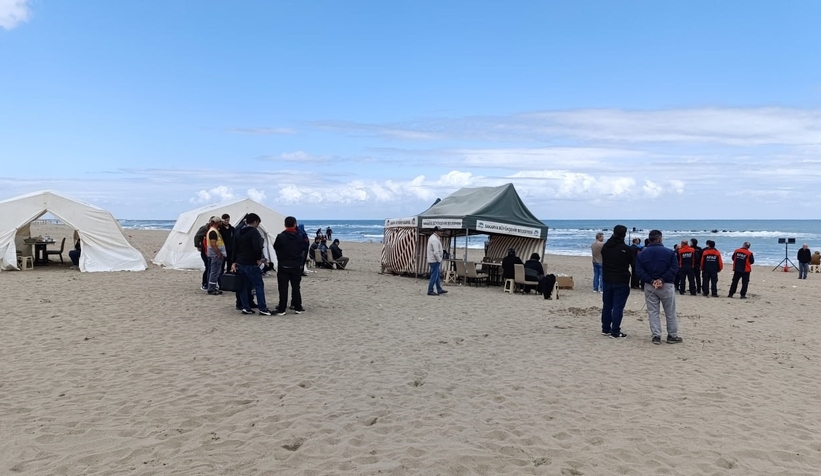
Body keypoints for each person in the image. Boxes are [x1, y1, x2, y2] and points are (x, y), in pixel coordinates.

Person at [635, 230, 682, 344]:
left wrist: (656, 280)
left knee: (653, 312)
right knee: (670, 311)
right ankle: (671, 335)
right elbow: (675, 268)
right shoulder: (669, 252)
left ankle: (656, 335)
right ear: (660, 239)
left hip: (653, 284)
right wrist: (656, 280)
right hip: (664, 285)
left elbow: (639, 271)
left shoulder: (642, 254)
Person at [231, 213, 273, 315]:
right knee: (258, 285)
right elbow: (257, 247)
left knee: (244, 286)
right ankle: (263, 308)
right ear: (255, 222)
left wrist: (233, 261)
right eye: (258, 223)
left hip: (240, 262)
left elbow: (234, 248)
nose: (258, 225)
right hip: (250, 263)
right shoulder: (253, 232)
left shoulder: (239, 231)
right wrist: (258, 259)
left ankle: (246, 307)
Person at [600, 225, 634, 339]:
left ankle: (605, 328)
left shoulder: (606, 247)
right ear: (624, 235)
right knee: (618, 306)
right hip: (621, 280)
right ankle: (615, 331)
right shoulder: (626, 249)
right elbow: (633, 263)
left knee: (607, 305)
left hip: (607, 278)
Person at [273, 216, 306, 315]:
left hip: (284, 265)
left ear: (285, 225)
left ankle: (282, 308)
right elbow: (303, 248)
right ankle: (298, 307)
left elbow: (275, 247)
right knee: (296, 286)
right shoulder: (300, 236)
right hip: (296, 265)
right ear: (295, 224)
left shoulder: (281, 236)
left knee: (283, 287)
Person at [206, 216, 226, 295]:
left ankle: (213, 287)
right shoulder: (213, 232)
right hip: (215, 255)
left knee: (215, 272)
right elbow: (213, 244)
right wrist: (219, 253)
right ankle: (211, 289)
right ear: (217, 223)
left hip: (215, 255)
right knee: (214, 272)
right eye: (220, 222)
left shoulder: (214, 231)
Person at [426, 227, 448, 296]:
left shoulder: (433, 238)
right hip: (434, 260)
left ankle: (439, 289)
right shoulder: (434, 240)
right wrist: (439, 260)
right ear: (436, 231)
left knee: (437, 275)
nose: (441, 232)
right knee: (434, 276)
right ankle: (430, 290)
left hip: (433, 260)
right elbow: (436, 252)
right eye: (440, 231)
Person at [194, 219, 211, 291]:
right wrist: (198, 246)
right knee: (208, 267)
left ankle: (209, 283)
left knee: (210, 267)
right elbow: (197, 237)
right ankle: (205, 284)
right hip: (205, 250)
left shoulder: (213, 229)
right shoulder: (204, 228)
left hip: (209, 251)